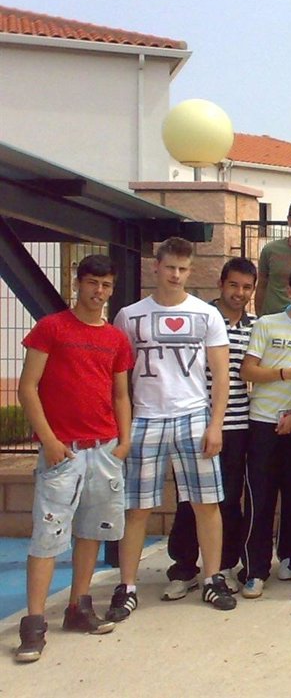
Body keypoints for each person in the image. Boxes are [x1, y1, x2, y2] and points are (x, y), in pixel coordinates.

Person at [108, 237, 236, 620]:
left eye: (182, 268)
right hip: (146, 417)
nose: (176, 275)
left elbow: (221, 374)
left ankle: (212, 578)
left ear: (190, 270)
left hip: (193, 416)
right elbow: (119, 377)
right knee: (137, 507)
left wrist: (216, 424)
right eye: (170, 267)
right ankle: (127, 586)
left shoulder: (206, 315)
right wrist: (124, 428)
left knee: (206, 504)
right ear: (156, 267)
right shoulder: (129, 316)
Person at [15, 255, 133, 663]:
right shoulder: (51, 328)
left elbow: (121, 393)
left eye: (106, 285)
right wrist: (48, 440)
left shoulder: (116, 339)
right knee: (47, 536)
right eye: (92, 282)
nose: (99, 291)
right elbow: (28, 387)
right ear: (77, 283)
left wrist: (123, 442)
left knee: (90, 531)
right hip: (62, 452)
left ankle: (78, 607)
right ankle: (33, 623)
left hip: (104, 449)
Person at [163, 257, 256, 601]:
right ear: (221, 284)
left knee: (229, 498)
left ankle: (224, 566)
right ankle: (184, 568)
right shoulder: (198, 318)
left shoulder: (255, 326)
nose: (239, 293)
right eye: (233, 285)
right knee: (189, 499)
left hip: (237, 425)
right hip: (194, 422)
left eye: (246, 287)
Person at [238, 265, 291, 598]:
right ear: (290, 292)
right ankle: (255, 570)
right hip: (262, 422)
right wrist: (285, 373)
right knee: (260, 500)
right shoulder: (266, 324)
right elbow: (248, 371)